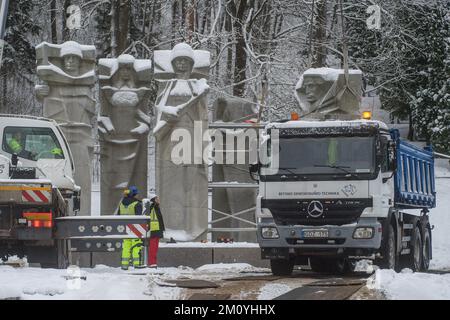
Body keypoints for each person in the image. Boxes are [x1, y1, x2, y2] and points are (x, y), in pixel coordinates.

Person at [118, 186, 143, 270]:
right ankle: (137, 264)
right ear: (134, 194)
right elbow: (140, 218)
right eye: (137, 194)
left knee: (126, 247)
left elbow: (118, 216)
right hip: (135, 228)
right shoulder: (137, 204)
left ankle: (124, 265)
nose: (138, 195)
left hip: (124, 228)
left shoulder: (121, 203)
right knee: (136, 246)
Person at [146, 193, 165, 268]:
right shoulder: (152, 207)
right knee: (153, 248)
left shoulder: (156, 207)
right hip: (153, 230)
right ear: (153, 200)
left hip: (157, 229)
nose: (158, 200)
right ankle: (152, 263)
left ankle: (154, 262)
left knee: (155, 248)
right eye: (156, 199)